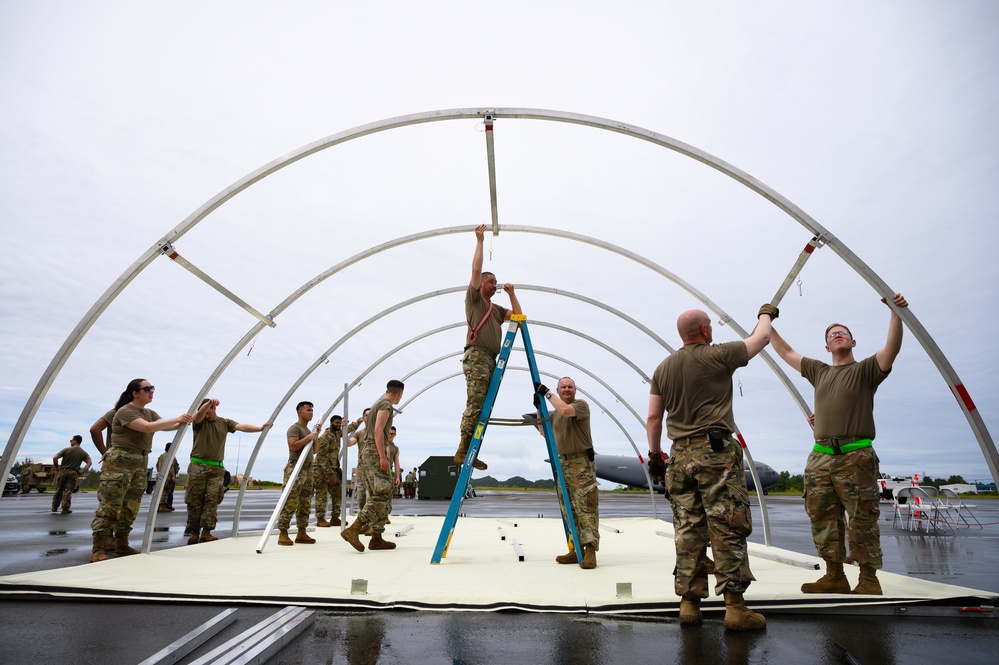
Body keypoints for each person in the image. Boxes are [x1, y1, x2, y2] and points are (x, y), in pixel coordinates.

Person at [646, 305, 776, 631]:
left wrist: (655, 456)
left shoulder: (663, 368)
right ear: (705, 330)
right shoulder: (718, 354)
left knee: (688, 531)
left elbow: (653, 417)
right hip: (715, 454)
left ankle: (689, 604)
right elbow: (761, 339)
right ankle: (735, 607)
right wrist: (765, 314)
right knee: (726, 526)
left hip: (677, 457)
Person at [769, 294, 908, 596]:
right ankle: (834, 575)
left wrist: (896, 314)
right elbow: (786, 351)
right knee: (822, 517)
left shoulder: (866, 370)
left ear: (853, 342)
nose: (836, 335)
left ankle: (868, 580)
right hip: (820, 456)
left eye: (842, 332)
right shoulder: (820, 371)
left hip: (855, 455)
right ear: (826, 346)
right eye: (831, 335)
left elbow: (891, 349)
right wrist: (766, 322)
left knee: (862, 518)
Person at [90, 379, 193, 562]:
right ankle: (98, 550)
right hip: (120, 462)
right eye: (147, 389)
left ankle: (121, 546)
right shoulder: (125, 411)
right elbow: (146, 427)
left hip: (140, 462)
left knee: (130, 507)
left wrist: (190, 416)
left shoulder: (149, 412)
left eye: (152, 388)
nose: (151, 391)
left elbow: (168, 426)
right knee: (110, 507)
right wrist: (178, 418)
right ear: (135, 393)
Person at [454, 224, 522, 471]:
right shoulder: (475, 300)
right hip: (477, 358)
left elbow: (518, 316)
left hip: (490, 360)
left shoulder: (495, 310)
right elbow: (476, 269)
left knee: (483, 407)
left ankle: (472, 449)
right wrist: (480, 241)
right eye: (492, 281)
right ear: (482, 284)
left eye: (496, 282)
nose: (495, 285)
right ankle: (463, 448)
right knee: (475, 404)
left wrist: (512, 293)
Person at [534, 377, 599, 569]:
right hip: (563, 463)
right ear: (559, 390)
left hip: (581, 463)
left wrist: (546, 393)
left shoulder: (580, 406)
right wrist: (539, 407)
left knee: (585, 507)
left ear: (575, 390)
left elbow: (565, 410)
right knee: (568, 508)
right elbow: (543, 431)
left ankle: (590, 551)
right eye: (563, 387)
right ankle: (576, 548)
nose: (567, 389)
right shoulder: (554, 415)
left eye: (570, 386)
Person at [186, 398, 270, 545]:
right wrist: (206, 405)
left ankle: (206, 532)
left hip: (217, 468)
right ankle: (194, 532)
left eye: (209, 411)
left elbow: (242, 426)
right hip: (198, 467)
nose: (206, 414)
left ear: (214, 409)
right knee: (194, 500)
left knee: (212, 501)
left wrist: (259, 428)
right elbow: (198, 415)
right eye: (204, 411)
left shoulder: (225, 423)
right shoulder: (199, 422)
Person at [341, 380, 405, 552]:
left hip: (368, 453)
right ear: (400, 393)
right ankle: (354, 529)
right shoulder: (386, 405)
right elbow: (378, 430)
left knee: (381, 494)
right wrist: (383, 456)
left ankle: (377, 537)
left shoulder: (378, 404)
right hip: (375, 451)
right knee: (382, 492)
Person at [277, 401, 320, 546]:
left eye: (312, 410)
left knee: (305, 502)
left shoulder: (309, 431)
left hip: (308, 469)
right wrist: (309, 438)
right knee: (291, 501)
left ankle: (302, 532)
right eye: (308, 410)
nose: (311, 412)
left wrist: (316, 436)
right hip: (296, 467)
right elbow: (293, 445)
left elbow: (314, 451)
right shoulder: (294, 428)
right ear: (300, 412)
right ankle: (283, 532)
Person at [314, 415, 345, 527]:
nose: (338, 425)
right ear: (331, 423)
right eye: (336, 423)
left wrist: (358, 422)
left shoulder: (337, 434)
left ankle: (335, 517)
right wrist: (329, 473)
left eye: (339, 423)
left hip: (333, 468)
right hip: (321, 469)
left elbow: (348, 429)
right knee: (321, 494)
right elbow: (321, 457)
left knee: (337, 493)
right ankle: (320, 518)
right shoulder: (325, 437)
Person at [51, 435, 92, 514]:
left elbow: (55, 458)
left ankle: (54, 507)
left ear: (75, 441)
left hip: (63, 471)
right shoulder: (83, 452)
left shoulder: (66, 450)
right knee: (68, 490)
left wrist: (57, 468)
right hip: (73, 473)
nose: (70, 442)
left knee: (59, 489)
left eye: (71, 440)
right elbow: (89, 462)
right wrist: (82, 471)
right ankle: (65, 508)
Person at [156, 442, 180, 513]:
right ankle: (162, 506)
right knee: (166, 491)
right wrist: (173, 476)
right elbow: (171, 467)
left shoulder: (162, 455)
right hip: (167, 476)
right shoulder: (170, 456)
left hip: (160, 475)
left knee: (160, 491)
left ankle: (159, 506)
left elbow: (157, 465)